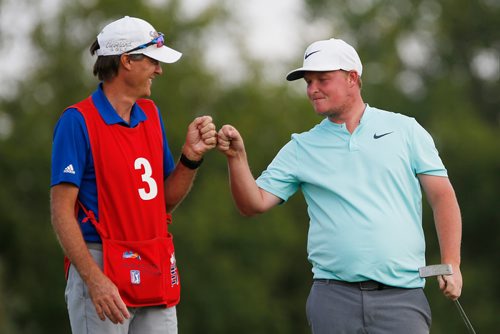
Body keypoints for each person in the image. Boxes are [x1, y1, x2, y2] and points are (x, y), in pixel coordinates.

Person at [217, 38, 462, 333]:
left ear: (352, 78)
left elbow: (442, 196)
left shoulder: (405, 129)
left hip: (402, 297)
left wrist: (452, 264)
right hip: (333, 298)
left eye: (323, 79)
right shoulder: (302, 146)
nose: (313, 89)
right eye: (308, 82)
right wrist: (236, 158)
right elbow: (252, 203)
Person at [50, 16, 217, 334]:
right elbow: (61, 213)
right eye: (153, 60)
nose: (159, 70)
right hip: (100, 262)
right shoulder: (77, 120)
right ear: (126, 61)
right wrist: (95, 280)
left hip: (152, 259)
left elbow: (161, 202)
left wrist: (190, 158)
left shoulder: (151, 115)